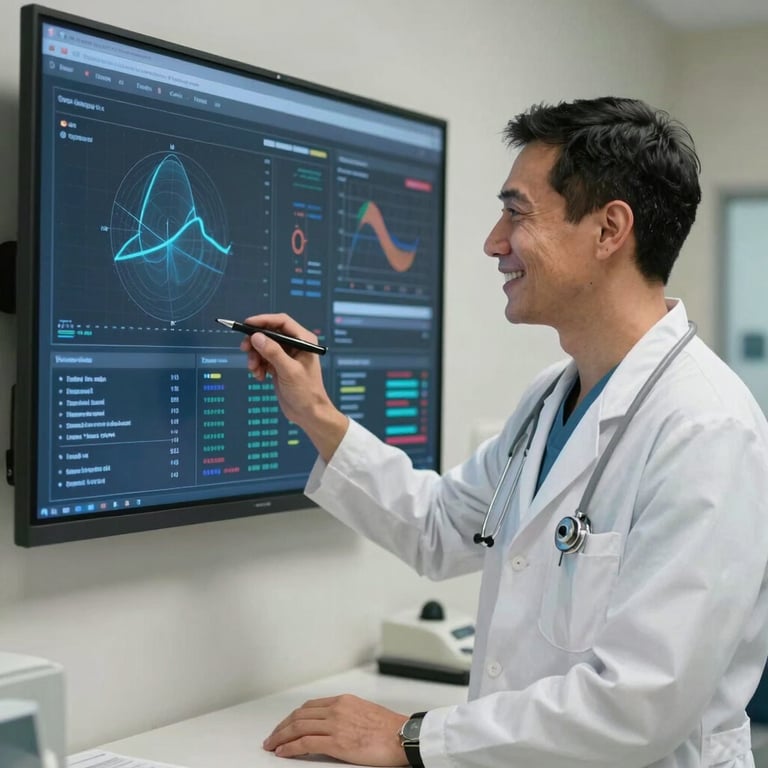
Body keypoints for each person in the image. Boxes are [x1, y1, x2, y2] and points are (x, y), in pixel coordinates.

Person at [244, 97, 768, 767]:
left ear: (610, 229)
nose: (495, 241)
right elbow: (440, 527)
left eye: (516, 212)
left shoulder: (706, 428)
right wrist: (315, 411)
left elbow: (641, 705)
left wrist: (410, 737)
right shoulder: (551, 397)